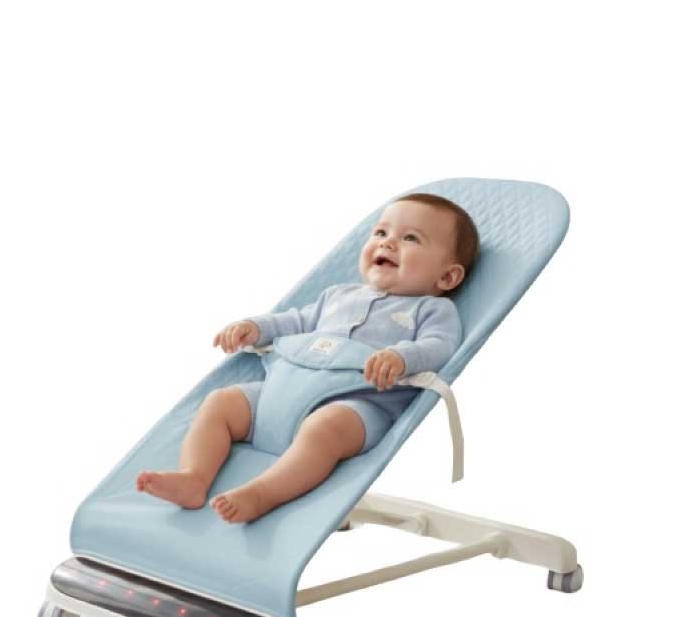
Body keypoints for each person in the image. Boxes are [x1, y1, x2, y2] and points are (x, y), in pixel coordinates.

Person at [137, 193, 479, 523]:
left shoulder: (433, 309)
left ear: (447, 276)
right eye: (380, 232)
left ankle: (262, 494)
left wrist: (401, 356)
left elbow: (441, 345)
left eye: (410, 238)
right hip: (278, 395)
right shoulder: (338, 295)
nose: (387, 243)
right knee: (221, 402)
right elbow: (295, 321)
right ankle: (194, 477)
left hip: (358, 402)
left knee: (324, 430)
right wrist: (254, 327)